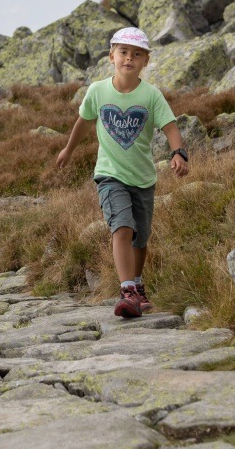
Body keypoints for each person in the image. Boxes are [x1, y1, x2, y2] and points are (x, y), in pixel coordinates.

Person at [56, 27, 189, 319]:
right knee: (122, 227)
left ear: (146, 61)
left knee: (140, 239)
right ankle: (127, 290)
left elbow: (170, 127)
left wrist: (178, 152)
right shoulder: (97, 91)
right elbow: (83, 122)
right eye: (124, 52)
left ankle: (137, 286)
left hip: (143, 178)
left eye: (137, 54)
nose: (129, 58)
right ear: (111, 56)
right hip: (109, 175)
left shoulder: (151, 95)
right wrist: (68, 149)